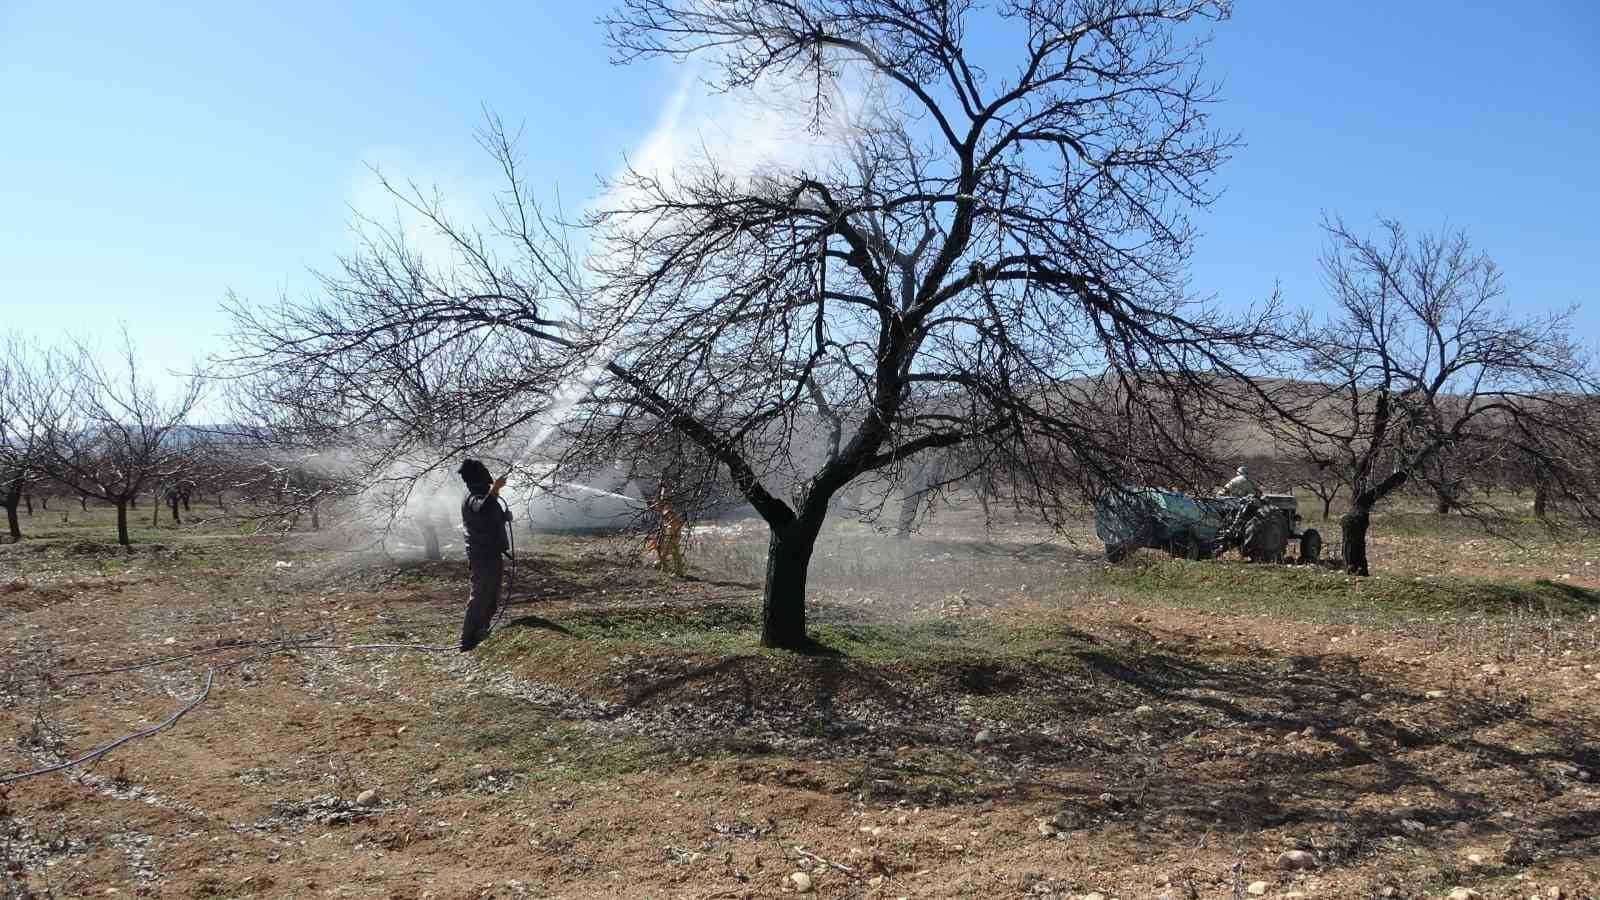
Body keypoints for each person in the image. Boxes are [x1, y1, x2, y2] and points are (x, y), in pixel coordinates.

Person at [457, 459, 508, 652]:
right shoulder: (473, 496)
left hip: (491, 553)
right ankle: (467, 640)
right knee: (480, 596)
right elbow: (482, 508)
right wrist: (495, 489)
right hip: (482, 555)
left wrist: (504, 517)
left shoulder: (482, 495)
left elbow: (486, 517)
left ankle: (480, 635)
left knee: (491, 598)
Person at [647, 485, 686, 577]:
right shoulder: (665, 510)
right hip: (668, 533)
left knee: (674, 551)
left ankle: (678, 571)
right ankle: (663, 566)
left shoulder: (670, 511)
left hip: (673, 533)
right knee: (663, 550)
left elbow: (675, 522)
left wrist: (671, 529)